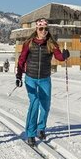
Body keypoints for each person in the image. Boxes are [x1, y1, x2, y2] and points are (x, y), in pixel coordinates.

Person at [15, 18, 69, 146]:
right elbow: (22, 60)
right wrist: (18, 75)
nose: (43, 31)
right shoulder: (29, 43)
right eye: (41, 28)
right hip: (31, 78)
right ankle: (30, 134)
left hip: (45, 78)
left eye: (45, 29)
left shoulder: (51, 44)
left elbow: (59, 57)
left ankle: (41, 128)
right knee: (34, 103)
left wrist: (65, 55)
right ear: (36, 29)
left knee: (45, 105)